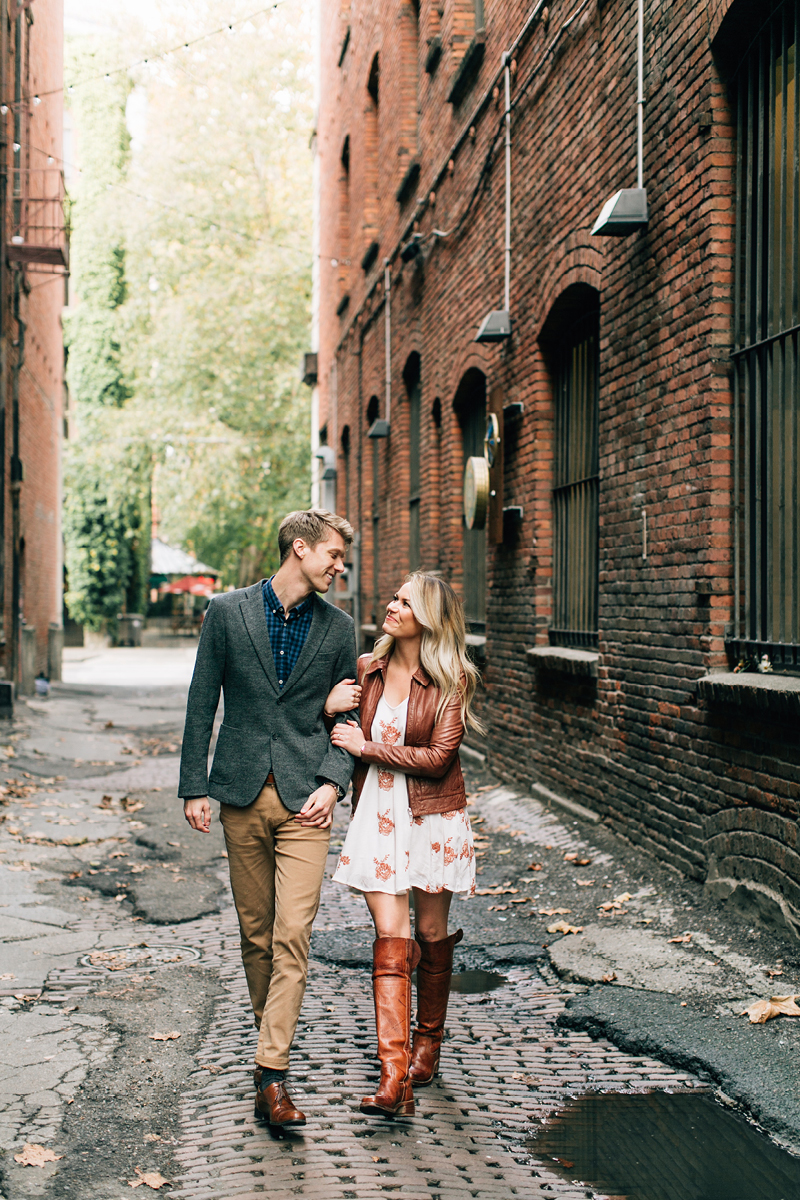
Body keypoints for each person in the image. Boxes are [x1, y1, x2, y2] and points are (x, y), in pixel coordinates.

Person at [179, 510, 358, 1128]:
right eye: (333, 554)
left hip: (307, 799)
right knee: (255, 934)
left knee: (293, 935)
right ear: (300, 549)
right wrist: (193, 786)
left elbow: (348, 722)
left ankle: (272, 1074)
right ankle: (269, 1048)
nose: (340, 565)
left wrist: (336, 782)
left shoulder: (340, 629)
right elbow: (203, 701)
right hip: (240, 792)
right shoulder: (227, 613)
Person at [324, 573, 481, 1117]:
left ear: (429, 618)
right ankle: (395, 1079)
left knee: (431, 933)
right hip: (377, 814)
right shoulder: (368, 669)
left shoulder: (452, 678)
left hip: (431, 815)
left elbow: (439, 759)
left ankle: (428, 1044)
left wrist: (368, 747)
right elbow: (334, 726)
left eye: (405, 602)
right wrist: (328, 705)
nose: (392, 606)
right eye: (393, 597)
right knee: (390, 939)